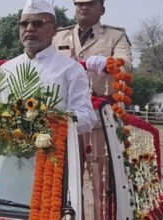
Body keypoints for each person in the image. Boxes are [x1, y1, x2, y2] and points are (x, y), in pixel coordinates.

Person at [0, 0, 96, 207]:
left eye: (38, 23)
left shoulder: (70, 70)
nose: (29, 28)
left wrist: (48, 121)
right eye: (24, 24)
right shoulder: (6, 69)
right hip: (9, 163)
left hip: (50, 164)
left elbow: (87, 117)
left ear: (54, 29)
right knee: (4, 211)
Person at [53, 0, 132, 219]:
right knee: (64, 182)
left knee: (103, 183)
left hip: (100, 120)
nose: (83, 8)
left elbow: (126, 63)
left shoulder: (115, 36)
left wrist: (108, 61)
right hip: (64, 118)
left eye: (89, 4)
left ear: (102, 9)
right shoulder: (59, 36)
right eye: (79, 4)